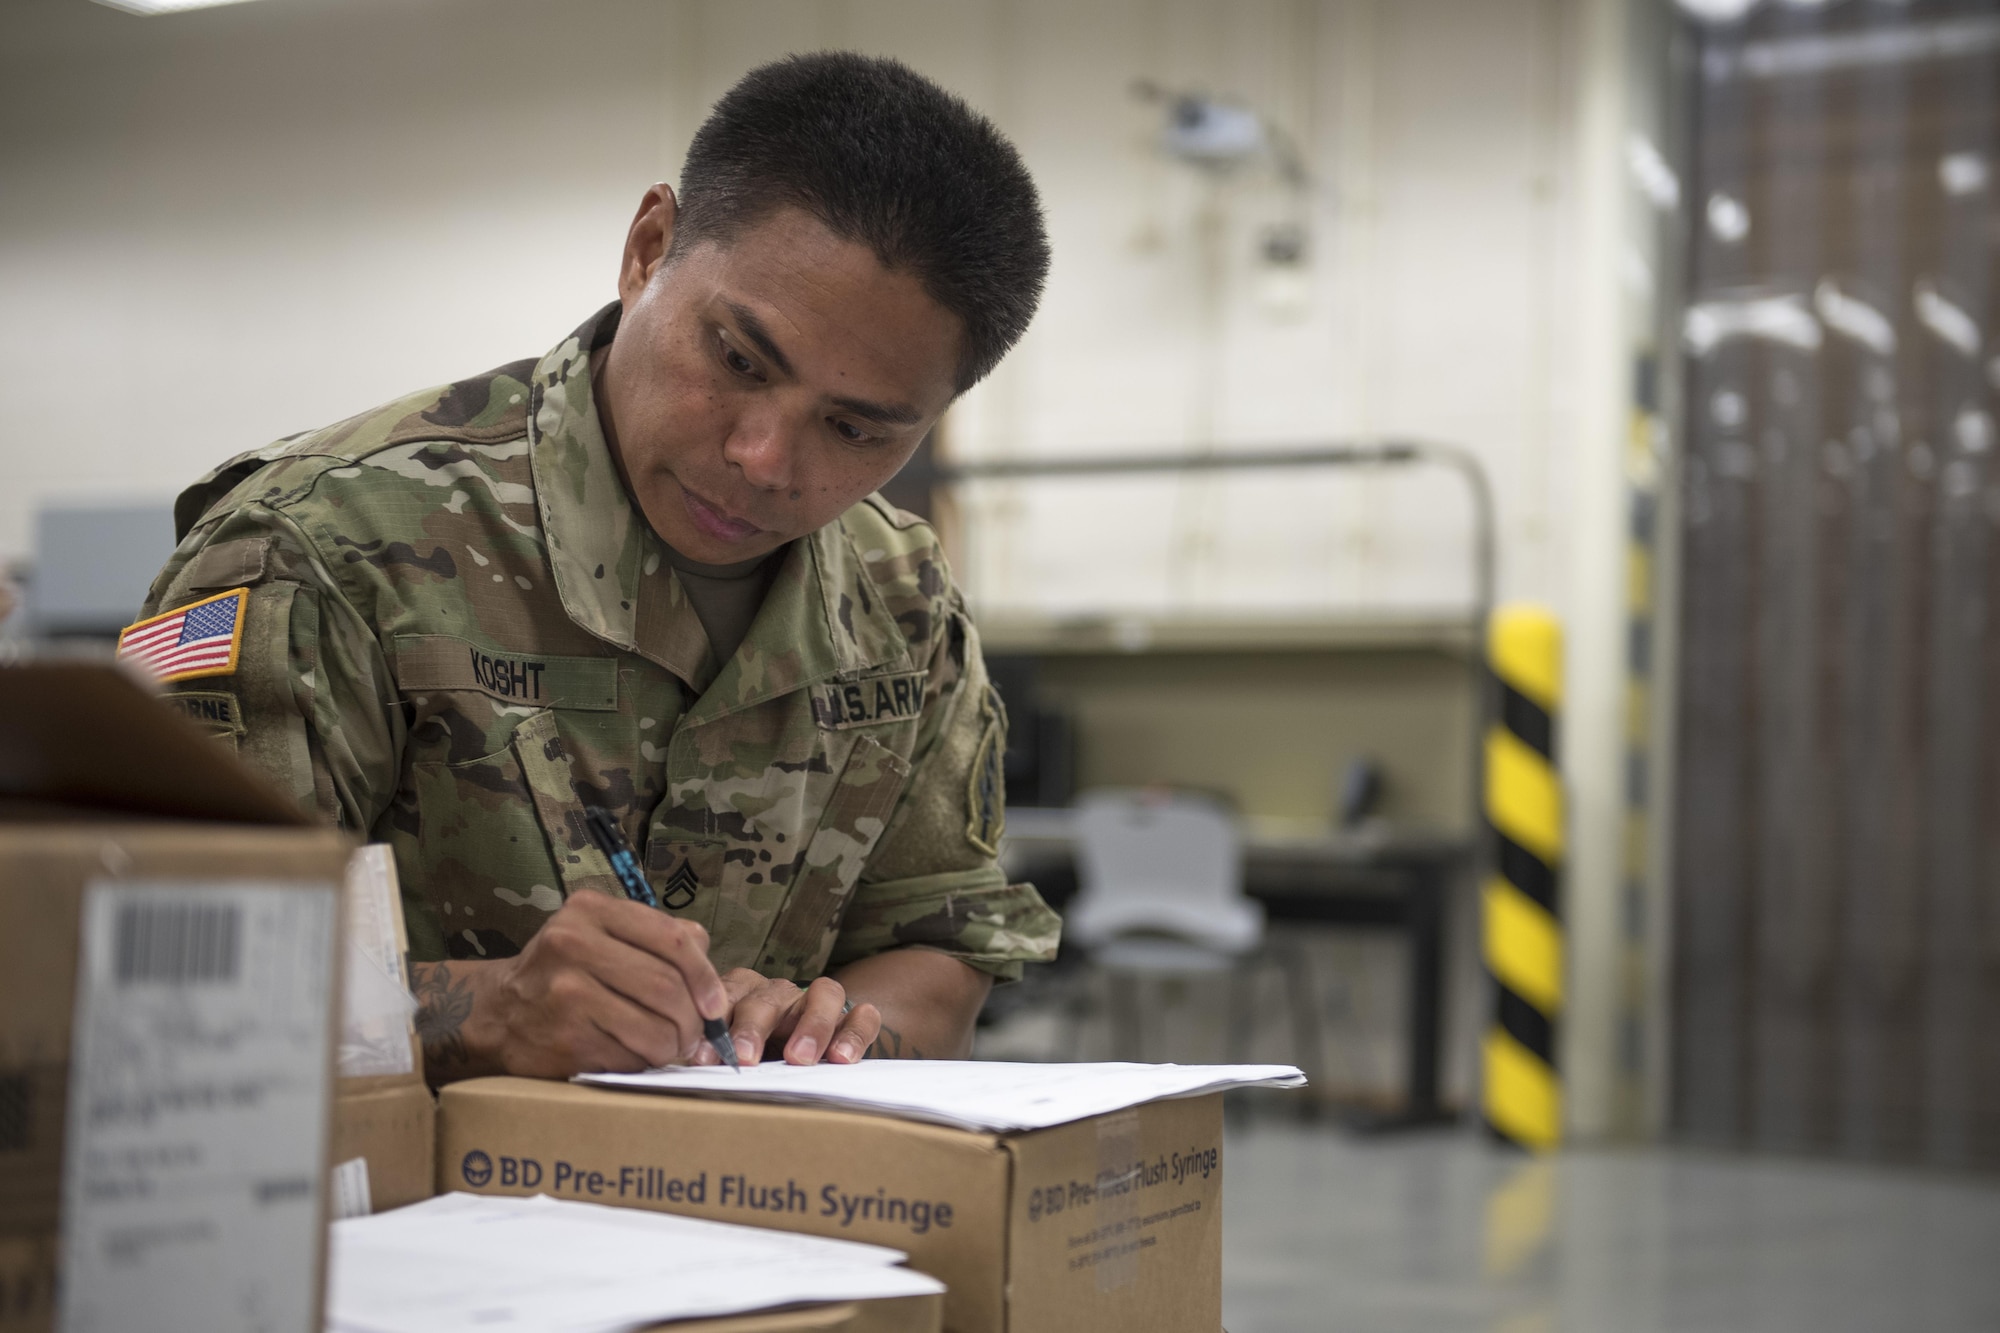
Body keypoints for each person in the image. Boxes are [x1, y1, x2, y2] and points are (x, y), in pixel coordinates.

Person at [129, 52, 1059, 1085]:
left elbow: (944, 938)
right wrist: (480, 1014)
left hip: (762, 1224)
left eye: (852, 428)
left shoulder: (900, 598)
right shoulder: (325, 548)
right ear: (648, 247)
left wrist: (827, 1028)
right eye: (739, 361)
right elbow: (146, 979)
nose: (763, 458)